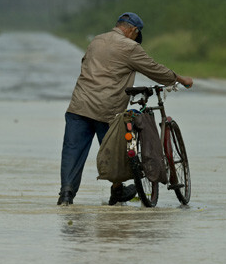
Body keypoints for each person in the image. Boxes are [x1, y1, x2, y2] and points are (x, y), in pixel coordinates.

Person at [58, 12, 193, 206]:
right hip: (106, 109)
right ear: (132, 30)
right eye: (136, 34)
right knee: (116, 151)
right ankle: (117, 189)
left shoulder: (96, 41)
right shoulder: (130, 47)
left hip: (79, 106)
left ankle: (66, 195)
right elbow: (154, 69)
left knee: (72, 151)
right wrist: (181, 79)